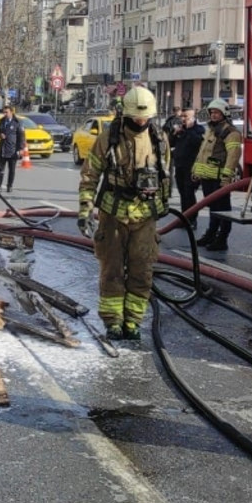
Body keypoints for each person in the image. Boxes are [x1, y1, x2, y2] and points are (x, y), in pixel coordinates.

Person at [77, 87, 171, 342]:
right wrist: (85, 209)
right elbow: (89, 175)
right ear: (126, 114)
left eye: (146, 118)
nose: (142, 122)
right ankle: (113, 322)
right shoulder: (109, 138)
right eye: (137, 118)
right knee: (112, 270)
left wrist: (161, 203)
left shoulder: (159, 139)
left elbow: (165, 174)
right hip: (113, 213)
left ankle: (132, 322)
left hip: (145, 215)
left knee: (142, 271)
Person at [191, 98, 242, 252]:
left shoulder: (230, 133)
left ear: (224, 113)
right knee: (213, 209)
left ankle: (222, 239)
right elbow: (202, 153)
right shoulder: (211, 130)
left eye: (217, 112)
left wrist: (226, 178)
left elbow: (233, 157)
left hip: (219, 179)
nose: (213, 115)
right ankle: (211, 234)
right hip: (207, 177)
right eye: (212, 112)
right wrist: (195, 170)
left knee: (223, 210)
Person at [172, 109, 205, 224]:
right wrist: (175, 134)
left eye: (186, 117)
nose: (183, 119)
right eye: (182, 116)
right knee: (182, 193)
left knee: (189, 193)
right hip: (179, 166)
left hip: (191, 167)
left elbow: (197, 143)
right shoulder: (181, 130)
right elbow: (170, 143)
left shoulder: (198, 130)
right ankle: (183, 219)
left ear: (193, 118)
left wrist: (190, 130)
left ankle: (192, 219)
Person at [0, 105, 26, 193]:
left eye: (6, 112)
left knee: (11, 169)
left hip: (12, 149)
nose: (5, 114)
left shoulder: (17, 122)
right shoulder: (2, 121)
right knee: (0, 168)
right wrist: (0, 134)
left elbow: (22, 137)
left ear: (11, 112)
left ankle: (9, 185)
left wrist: (20, 149)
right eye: (4, 112)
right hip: (3, 148)